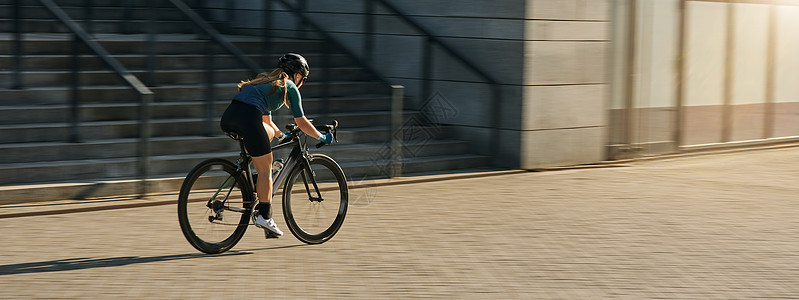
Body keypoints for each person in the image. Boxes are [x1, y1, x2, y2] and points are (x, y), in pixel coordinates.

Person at [220, 53, 334, 238]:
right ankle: (264, 215)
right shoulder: (289, 86)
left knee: (269, 134)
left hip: (229, 117)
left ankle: (255, 180)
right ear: (297, 75)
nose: (302, 82)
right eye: (303, 78)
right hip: (248, 119)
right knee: (267, 168)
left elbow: (267, 121)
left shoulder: (265, 81)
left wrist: (283, 135)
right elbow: (302, 122)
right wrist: (321, 136)